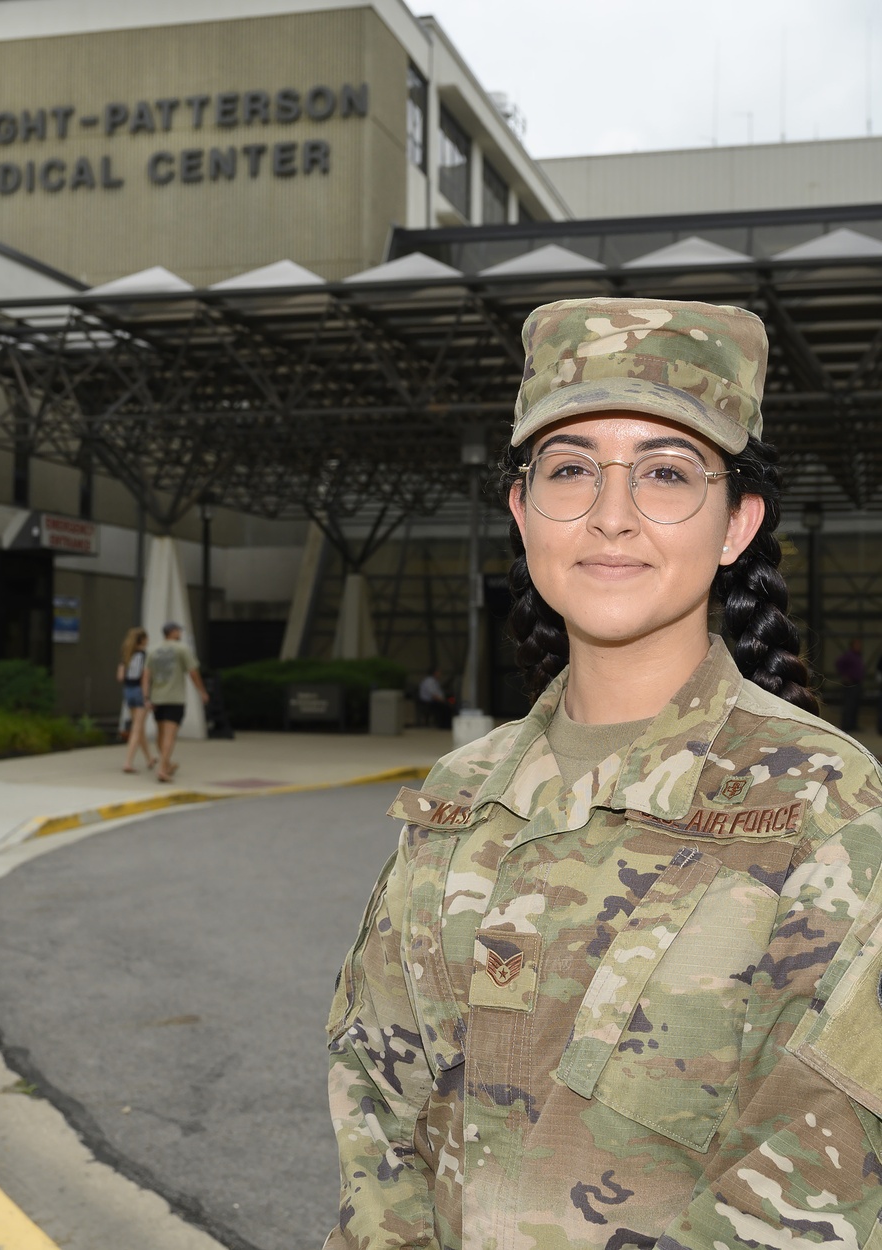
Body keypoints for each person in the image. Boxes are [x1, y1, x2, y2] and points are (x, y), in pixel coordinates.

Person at [325, 297, 882, 1250]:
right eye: (572, 469)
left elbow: (818, 1178)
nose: (612, 515)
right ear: (522, 509)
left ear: (737, 522)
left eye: (667, 474)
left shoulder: (823, 807)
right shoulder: (458, 795)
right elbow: (377, 1109)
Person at [142, 621, 208, 783]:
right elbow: (193, 672)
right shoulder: (182, 649)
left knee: (161, 734)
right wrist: (202, 691)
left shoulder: (153, 650)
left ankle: (167, 764)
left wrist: (146, 697)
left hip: (157, 697)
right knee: (170, 736)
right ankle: (162, 769)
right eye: (179, 631)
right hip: (175, 698)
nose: (180, 634)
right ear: (172, 632)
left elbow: (146, 675)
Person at [117, 627, 156, 773]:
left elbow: (120, 677)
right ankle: (128, 762)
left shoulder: (126, 656)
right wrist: (146, 698)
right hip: (140, 691)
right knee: (137, 729)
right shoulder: (145, 656)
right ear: (143, 640)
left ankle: (149, 758)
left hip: (128, 690)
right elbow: (145, 679)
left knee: (139, 728)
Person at [836, 637, 865, 733]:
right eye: (857, 645)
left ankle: (853, 725)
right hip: (850, 684)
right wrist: (844, 675)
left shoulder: (858, 656)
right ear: (852, 646)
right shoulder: (849, 655)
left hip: (857, 683)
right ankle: (846, 725)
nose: (859, 647)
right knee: (849, 705)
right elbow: (838, 663)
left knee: (855, 705)